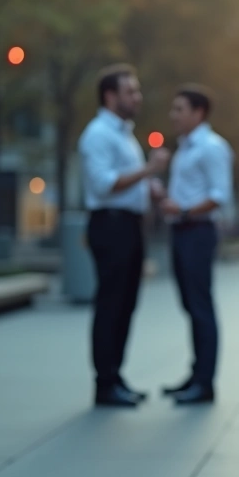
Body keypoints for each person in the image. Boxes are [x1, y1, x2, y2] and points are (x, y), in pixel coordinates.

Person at [79, 63, 169, 407]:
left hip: (129, 224)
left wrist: (150, 187)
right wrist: (148, 170)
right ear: (110, 95)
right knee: (111, 304)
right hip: (110, 224)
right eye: (130, 91)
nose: (137, 97)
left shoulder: (124, 134)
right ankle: (104, 384)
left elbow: (128, 182)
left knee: (126, 304)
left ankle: (115, 377)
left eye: (137, 90)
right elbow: (104, 185)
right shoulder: (97, 135)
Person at [156, 86, 233, 405]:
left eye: (179, 109)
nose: (173, 115)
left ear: (198, 113)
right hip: (182, 230)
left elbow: (219, 195)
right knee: (190, 305)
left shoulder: (212, 147)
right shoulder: (185, 148)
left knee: (200, 306)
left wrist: (185, 211)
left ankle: (205, 383)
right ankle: (196, 374)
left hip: (197, 231)